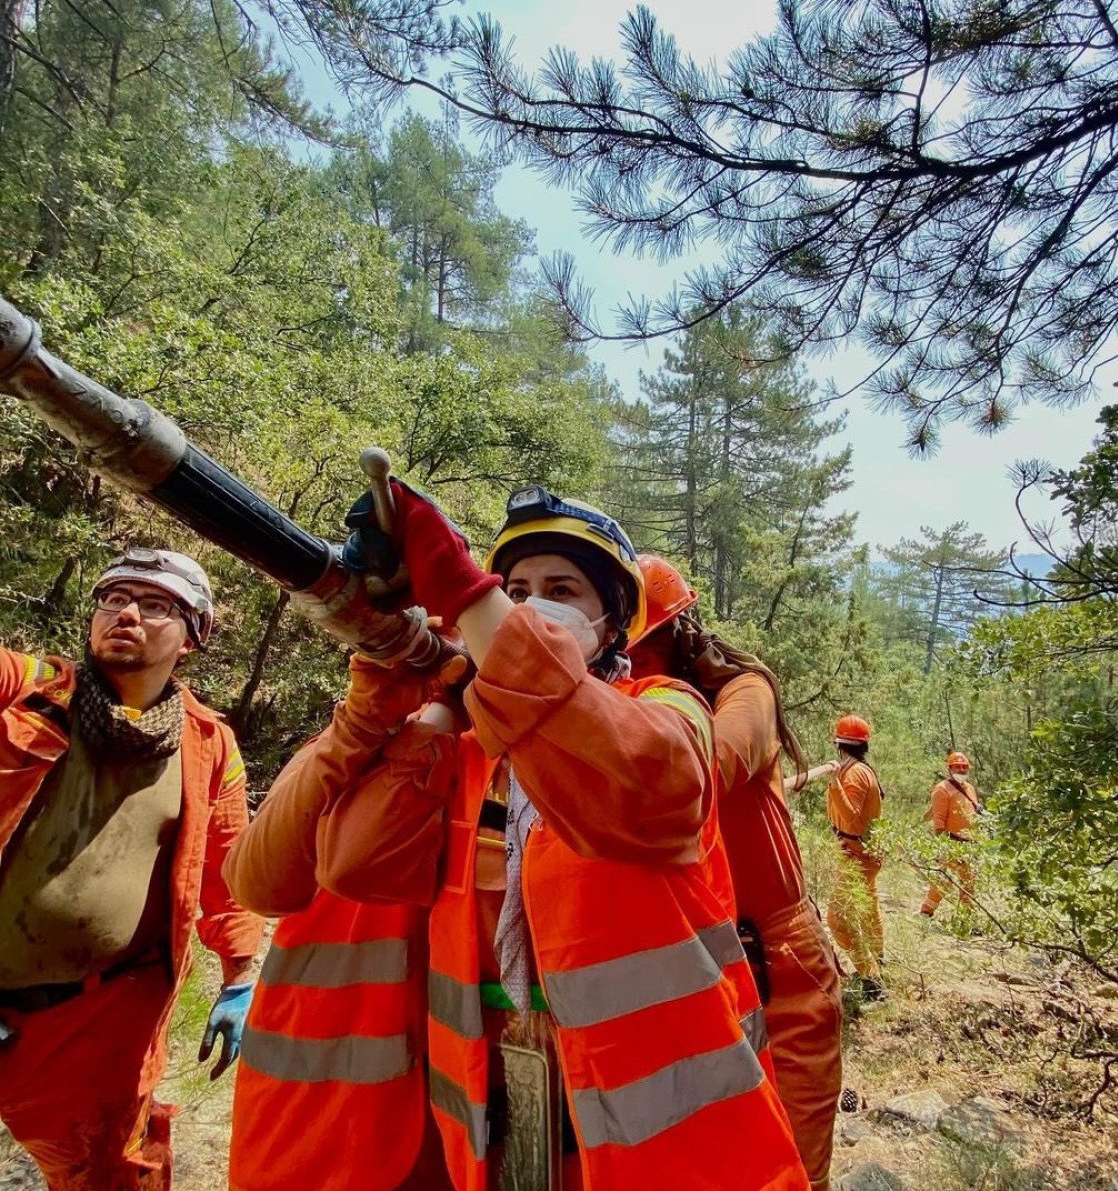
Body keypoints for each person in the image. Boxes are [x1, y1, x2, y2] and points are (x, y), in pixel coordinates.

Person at [289, 484, 808, 1190]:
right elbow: (354, 866)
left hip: (647, 1126)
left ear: (613, 622)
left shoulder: (667, 709)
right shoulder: (475, 748)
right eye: (519, 588)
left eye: (562, 588)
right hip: (494, 1104)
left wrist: (469, 598)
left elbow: (656, 781)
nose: (535, 604)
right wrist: (432, 707)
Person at [0, 548, 263, 1190]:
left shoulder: (207, 744)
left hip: (91, 1017)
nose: (126, 613)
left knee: (113, 1173)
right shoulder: (30, 687)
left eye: (155, 605)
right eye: (114, 598)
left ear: (192, 636)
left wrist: (240, 974)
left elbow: (228, 867)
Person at [627, 555, 843, 1191]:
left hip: (780, 963)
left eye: (636, 649)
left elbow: (707, 771)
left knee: (794, 1168)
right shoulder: (633, 707)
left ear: (674, 637)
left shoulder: (744, 694)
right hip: (701, 971)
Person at [223, 670, 459, 1191]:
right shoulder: (353, 739)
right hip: (320, 1109)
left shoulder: (518, 754)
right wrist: (362, 725)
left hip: (456, 1112)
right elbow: (255, 882)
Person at [825, 715, 885, 1001]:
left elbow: (852, 821)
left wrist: (835, 784)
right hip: (859, 853)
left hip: (857, 855)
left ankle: (871, 979)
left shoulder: (855, 774)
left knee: (838, 919)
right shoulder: (858, 770)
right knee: (868, 911)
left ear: (839, 744)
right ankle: (879, 961)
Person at [920, 751, 980, 918]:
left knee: (969, 883)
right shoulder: (942, 789)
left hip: (970, 844)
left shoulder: (970, 789)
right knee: (944, 880)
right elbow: (938, 820)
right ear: (950, 769)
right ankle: (926, 911)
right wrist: (943, 846)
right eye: (957, 767)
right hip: (950, 841)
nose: (961, 770)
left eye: (964, 767)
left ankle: (966, 919)